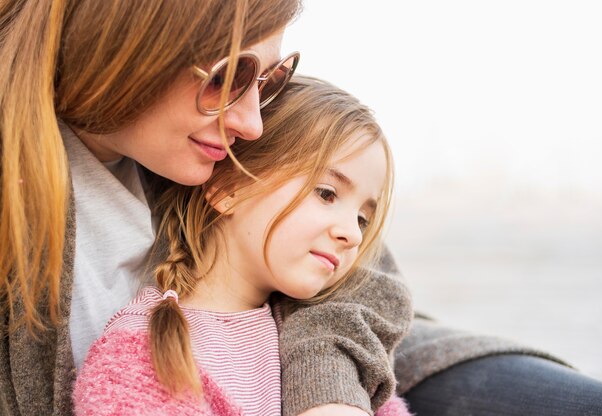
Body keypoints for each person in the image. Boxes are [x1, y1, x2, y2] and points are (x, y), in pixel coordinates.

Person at [1, 1, 412, 415]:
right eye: (227, 77)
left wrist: (325, 382)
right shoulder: (133, 361)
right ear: (128, 47)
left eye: (269, 80)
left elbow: (371, 280)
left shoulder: (214, 155)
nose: (253, 125)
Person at [72, 75, 412, 416]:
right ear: (229, 187)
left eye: (363, 219)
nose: (353, 234)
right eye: (326, 193)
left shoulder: (321, 339)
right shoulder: (140, 355)